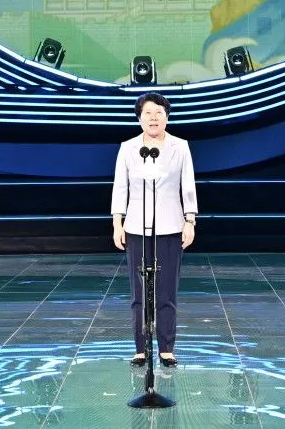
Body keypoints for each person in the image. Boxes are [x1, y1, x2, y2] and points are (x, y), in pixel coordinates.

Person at [111, 92, 198, 368]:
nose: (153, 118)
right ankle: (140, 347)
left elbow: (187, 185)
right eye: (148, 113)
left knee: (166, 290)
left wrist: (190, 220)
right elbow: (120, 187)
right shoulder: (128, 147)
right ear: (139, 118)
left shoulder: (180, 146)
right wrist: (117, 222)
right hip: (136, 226)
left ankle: (166, 348)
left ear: (167, 117)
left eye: (159, 113)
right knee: (139, 292)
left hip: (170, 226)